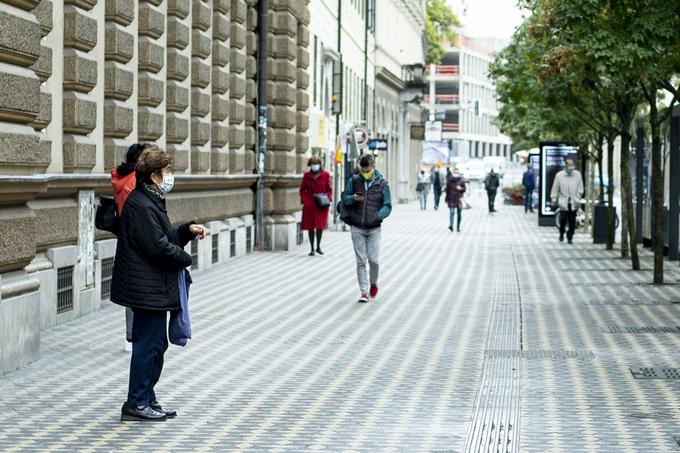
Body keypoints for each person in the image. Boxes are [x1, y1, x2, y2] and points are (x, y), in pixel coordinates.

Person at [111, 147, 209, 421]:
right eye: (167, 171)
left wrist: (186, 230)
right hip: (145, 289)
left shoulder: (151, 200)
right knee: (148, 345)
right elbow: (158, 247)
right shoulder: (140, 204)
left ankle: (147, 397)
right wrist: (185, 258)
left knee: (156, 345)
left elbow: (165, 236)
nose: (170, 176)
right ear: (154, 176)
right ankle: (136, 402)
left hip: (153, 287)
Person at [110, 143, 153, 347]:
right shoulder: (134, 182)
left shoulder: (123, 179)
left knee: (132, 286)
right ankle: (132, 335)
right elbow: (137, 214)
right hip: (136, 241)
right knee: (136, 287)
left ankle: (132, 333)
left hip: (127, 238)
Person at [342, 154, 392, 303]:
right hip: (357, 226)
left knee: (374, 260)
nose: (364, 172)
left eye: (367, 169)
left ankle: (373, 283)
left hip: (374, 228)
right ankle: (364, 291)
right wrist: (353, 198)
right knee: (361, 261)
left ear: (373, 167)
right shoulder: (354, 180)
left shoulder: (382, 184)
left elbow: (388, 205)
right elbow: (345, 198)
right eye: (362, 170)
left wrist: (378, 216)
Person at [300, 156, 332, 256]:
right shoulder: (307, 175)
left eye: (316, 164)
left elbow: (329, 189)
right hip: (310, 204)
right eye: (312, 164)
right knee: (310, 227)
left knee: (319, 226)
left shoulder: (325, 175)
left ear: (319, 164)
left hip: (321, 204)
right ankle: (312, 248)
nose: (314, 166)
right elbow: (302, 189)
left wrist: (328, 199)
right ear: (310, 165)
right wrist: (305, 200)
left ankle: (318, 246)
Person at [550, 159, 583, 244]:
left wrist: (577, 197)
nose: (571, 169)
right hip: (563, 202)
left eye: (572, 167)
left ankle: (570, 237)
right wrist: (554, 199)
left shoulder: (577, 175)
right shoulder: (559, 175)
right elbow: (555, 188)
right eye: (569, 167)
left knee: (572, 221)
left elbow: (580, 188)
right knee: (563, 220)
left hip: (574, 202)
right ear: (565, 166)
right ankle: (561, 233)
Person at [445, 167, 466, 232]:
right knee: (452, 212)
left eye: (457, 172)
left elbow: (464, 189)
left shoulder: (461, 180)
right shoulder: (449, 180)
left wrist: (461, 189)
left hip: (459, 198)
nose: (456, 174)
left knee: (459, 214)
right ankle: (451, 225)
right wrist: (446, 198)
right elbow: (447, 190)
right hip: (451, 198)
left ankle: (458, 227)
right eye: (455, 172)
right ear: (453, 173)